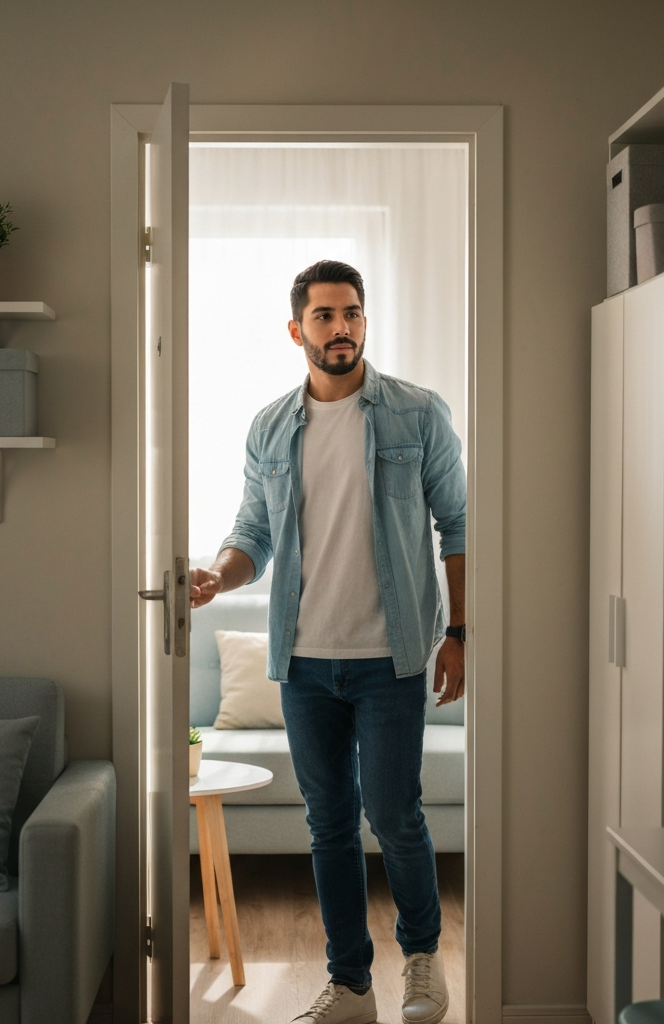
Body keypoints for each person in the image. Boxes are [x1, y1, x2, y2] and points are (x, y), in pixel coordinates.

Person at [190, 260, 467, 1024]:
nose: (339, 327)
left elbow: (461, 524)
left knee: (396, 814)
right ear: (296, 330)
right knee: (329, 826)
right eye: (323, 316)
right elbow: (252, 535)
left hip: (392, 660)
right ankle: (350, 985)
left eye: (351, 313)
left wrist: (462, 634)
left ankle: (421, 961)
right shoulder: (271, 426)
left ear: (364, 323)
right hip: (305, 663)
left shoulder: (417, 413)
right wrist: (218, 575)